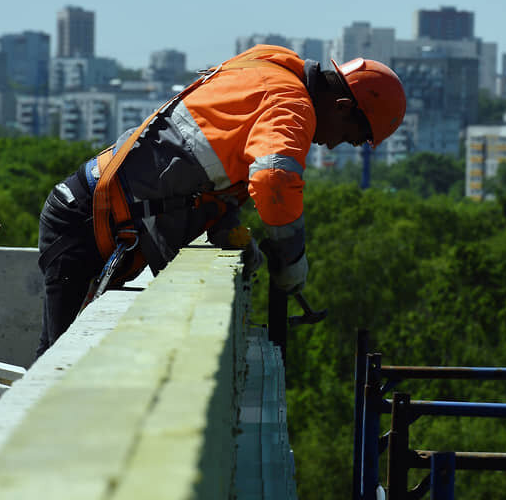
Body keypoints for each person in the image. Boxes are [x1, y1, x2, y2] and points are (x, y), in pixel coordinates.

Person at [35, 44, 406, 357]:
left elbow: (203, 162)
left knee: (59, 362)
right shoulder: (291, 105)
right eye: (352, 136)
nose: (336, 144)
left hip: (95, 216)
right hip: (88, 223)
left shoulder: (267, 68)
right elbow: (275, 180)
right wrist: (292, 258)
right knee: (58, 373)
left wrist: (226, 225)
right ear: (341, 106)